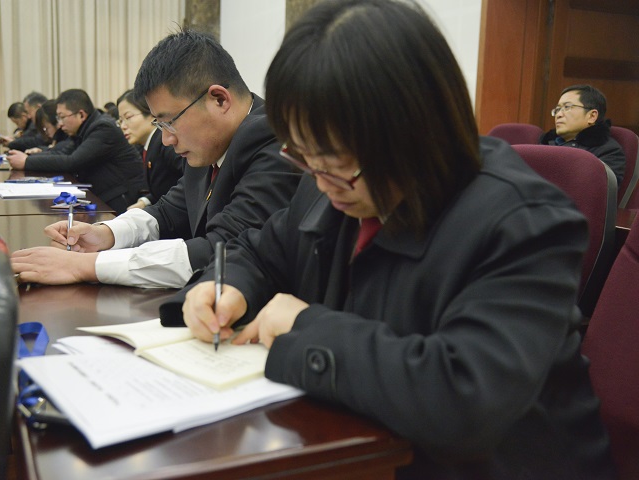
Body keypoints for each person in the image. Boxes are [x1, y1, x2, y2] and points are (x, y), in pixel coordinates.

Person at [169, 1, 615, 478]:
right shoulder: (332, 182)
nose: (319, 179)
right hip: (362, 446)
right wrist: (224, 285)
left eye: (335, 161)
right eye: (303, 156)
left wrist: (306, 327)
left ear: (416, 130)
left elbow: (464, 400)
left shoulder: (527, 223)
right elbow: (261, 250)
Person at [11, 29, 301, 289]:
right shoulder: (210, 144)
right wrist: (106, 234)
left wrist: (85, 266)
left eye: (169, 122)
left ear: (219, 99)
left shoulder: (273, 141)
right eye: (159, 125)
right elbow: (168, 211)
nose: (166, 140)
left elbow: (224, 251)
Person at [6, 88, 146, 213]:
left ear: (81, 115)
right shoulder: (84, 129)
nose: (60, 124)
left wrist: (26, 161)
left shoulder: (102, 128)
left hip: (122, 199)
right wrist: (31, 157)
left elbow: (72, 162)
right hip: (104, 195)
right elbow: (62, 153)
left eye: (62, 117)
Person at [540, 84, 625, 185]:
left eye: (567, 107)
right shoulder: (545, 144)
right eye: (557, 109)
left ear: (592, 116)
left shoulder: (609, 152)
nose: (559, 115)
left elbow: (595, 190)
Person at [116, 88, 184, 209]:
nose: (123, 126)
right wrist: (145, 201)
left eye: (128, 117)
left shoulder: (165, 142)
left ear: (152, 114)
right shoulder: (148, 144)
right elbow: (165, 187)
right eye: (120, 121)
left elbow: (190, 181)